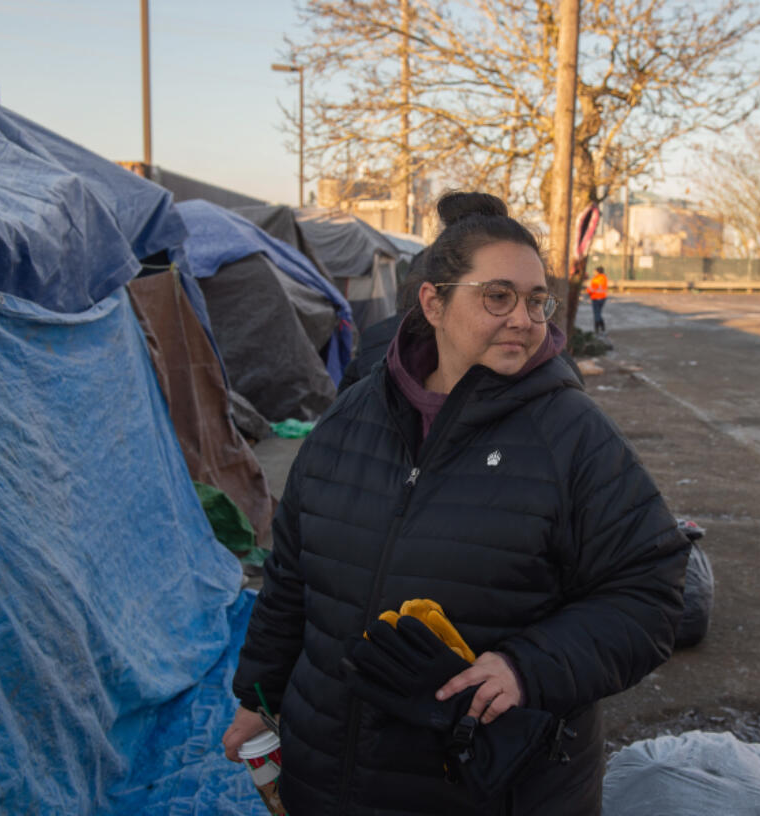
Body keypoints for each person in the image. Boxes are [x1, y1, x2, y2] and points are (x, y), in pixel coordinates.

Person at [222, 191, 689, 815]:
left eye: (535, 300)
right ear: (433, 302)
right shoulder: (352, 417)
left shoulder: (572, 435)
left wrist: (527, 668)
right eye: (498, 296)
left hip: (493, 786)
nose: (525, 319)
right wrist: (259, 697)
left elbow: (650, 591)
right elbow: (291, 576)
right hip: (329, 770)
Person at [585, 266, 609, 335]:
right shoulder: (604, 278)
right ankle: (602, 328)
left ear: (598, 272)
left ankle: (597, 329)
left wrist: (588, 289)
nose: (593, 272)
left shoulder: (596, 279)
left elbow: (592, 290)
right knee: (598, 313)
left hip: (596, 298)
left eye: (594, 271)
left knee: (596, 314)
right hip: (603, 298)